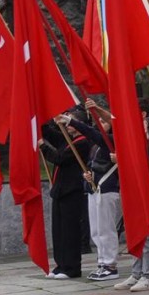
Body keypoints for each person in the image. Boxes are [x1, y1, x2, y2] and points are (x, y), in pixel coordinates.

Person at [39, 109, 92, 279]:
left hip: (73, 190)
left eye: (69, 121)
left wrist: (42, 146)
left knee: (70, 231)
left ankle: (71, 267)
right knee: (59, 230)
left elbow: (59, 158)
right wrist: (41, 118)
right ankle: (60, 264)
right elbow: (48, 132)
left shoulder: (83, 142)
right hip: (60, 190)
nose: (66, 124)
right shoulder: (68, 138)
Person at [76, 105, 120, 282]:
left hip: (108, 187)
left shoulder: (111, 140)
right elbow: (92, 162)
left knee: (106, 228)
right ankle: (102, 261)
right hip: (94, 187)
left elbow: (95, 134)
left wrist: (73, 122)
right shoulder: (96, 145)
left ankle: (110, 264)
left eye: (104, 121)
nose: (100, 124)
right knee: (96, 229)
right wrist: (87, 173)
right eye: (99, 121)